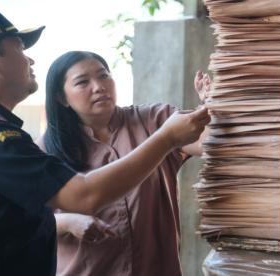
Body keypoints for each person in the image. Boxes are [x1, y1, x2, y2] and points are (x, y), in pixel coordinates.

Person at [0, 11, 210, 276]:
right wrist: (166, 138)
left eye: (104, 75)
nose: (30, 59)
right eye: (20, 49)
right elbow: (83, 195)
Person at [36, 51, 211, 276]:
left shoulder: (156, 120)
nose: (99, 86)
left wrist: (212, 107)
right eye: (82, 82)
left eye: (104, 76)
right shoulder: (44, 150)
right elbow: (23, 221)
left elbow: (209, 144)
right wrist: (68, 221)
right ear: (61, 98)